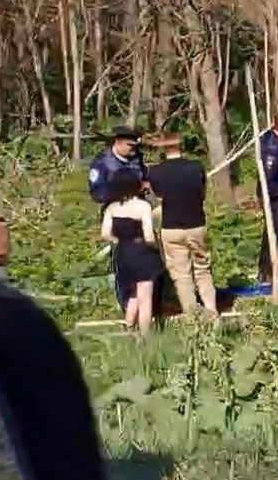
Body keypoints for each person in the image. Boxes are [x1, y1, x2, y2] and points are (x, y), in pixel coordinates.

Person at [146, 132, 217, 318]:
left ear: (163, 148)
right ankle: (211, 309)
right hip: (196, 223)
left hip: (171, 226)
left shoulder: (155, 171)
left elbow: (159, 197)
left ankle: (192, 313)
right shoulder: (196, 167)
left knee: (181, 274)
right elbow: (202, 194)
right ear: (180, 146)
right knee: (202, 269)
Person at [87, 126, 149, 310]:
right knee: (123, 263)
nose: (133, 149)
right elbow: (96, 193)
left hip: (139, 215)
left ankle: (145, 304)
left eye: (135, 146)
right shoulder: (102, 163)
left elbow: (143, 178)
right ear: (118, 143)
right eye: (130, 145)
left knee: (145, 261)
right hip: (116, 218)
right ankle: (126, 304)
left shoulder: (137, 159)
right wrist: (122, 192)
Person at [99, 170, 163, 332]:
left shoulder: (111, 208)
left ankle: (128, 326)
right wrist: (157, 248)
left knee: (134, 293)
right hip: (142, 252)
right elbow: (149, 235)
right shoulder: (143, 206)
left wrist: (120, 240)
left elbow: (105, 234)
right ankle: (145, 335)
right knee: (146, 296)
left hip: (123, 253)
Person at [257, 112, 278, 286]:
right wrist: (276, 192)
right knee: (277, 232)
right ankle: (271, 271)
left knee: (274, 231)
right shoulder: (271, 144)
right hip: (273, 195)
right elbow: (268, 174)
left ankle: (271, 270)